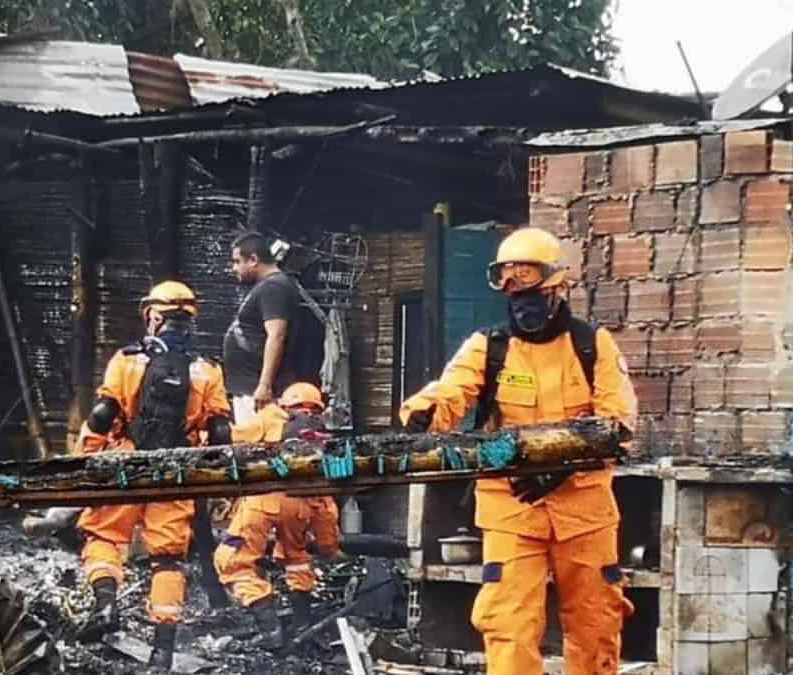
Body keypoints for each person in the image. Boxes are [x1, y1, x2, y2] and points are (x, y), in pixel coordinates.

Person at [398, 227, 638, 675]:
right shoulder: (489, 349)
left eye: (532, 290)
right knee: (508, 621)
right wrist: (422, 412)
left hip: (584, 509)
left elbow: (618, 424)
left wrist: (560, 468)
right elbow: (451, 392)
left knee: (595, 622)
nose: (523, 303)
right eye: (513, 292)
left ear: (556, 289)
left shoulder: (592, 346)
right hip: (512, 506)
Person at [74, 281, 232, 672]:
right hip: (176, 470)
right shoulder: (208, 369)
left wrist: (86, 461)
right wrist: (212, 479)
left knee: (105, 537)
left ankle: (106, 605)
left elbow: (101, 416)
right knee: (168, 561)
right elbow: (221, 434)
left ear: (153, 316)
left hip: (125, 464)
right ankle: (162, 654)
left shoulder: (127, 360)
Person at [213, 382, 340, 650]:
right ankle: (303, 626)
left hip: (264, 501)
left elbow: (231, 437)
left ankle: (268, 625)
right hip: (302, 508)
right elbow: (325, 503)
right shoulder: (322, 435)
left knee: (232, 561)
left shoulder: (272, 415)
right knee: (297, 559)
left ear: (287, 402)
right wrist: (329, 546)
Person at [224, 231, 302, 425]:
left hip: (259, 391)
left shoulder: (274, 288)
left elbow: (276, 335)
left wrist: (264, 385)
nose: (234, 268)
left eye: (236, 261)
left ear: (253, 260)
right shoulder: (268, 286)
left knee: (257, 448)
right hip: (249, 388)